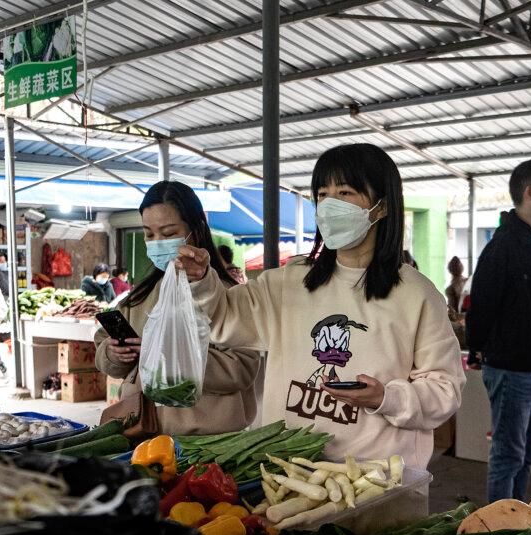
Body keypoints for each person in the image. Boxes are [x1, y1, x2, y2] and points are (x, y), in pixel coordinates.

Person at [176, 143, 465, 471]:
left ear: (382, 207)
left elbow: (444, 391)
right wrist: (201, 279)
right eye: (322, 194)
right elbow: (223, 318)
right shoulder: (288, 282)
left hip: (377, 484)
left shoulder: (417, 295)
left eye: (345, 193)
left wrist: (386, 398)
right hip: (286, 473)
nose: (329, 206)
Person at [94, 182, 261, 436]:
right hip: (144, 433)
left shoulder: (226, 293)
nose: (157, 242)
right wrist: (113, 354)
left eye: (169, 233)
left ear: (195, 231)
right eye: (149, 234)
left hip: (206, 441)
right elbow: (103, 347)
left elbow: (243, 368)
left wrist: (172, 357)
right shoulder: (140, 296)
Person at [467, 159, 531, 502]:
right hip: (511, 369)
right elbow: (481, 303)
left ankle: (518, 517)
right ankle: (500, 526)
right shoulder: (504, 245)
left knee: (526, 455)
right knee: (508, 456)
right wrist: (479, 349)